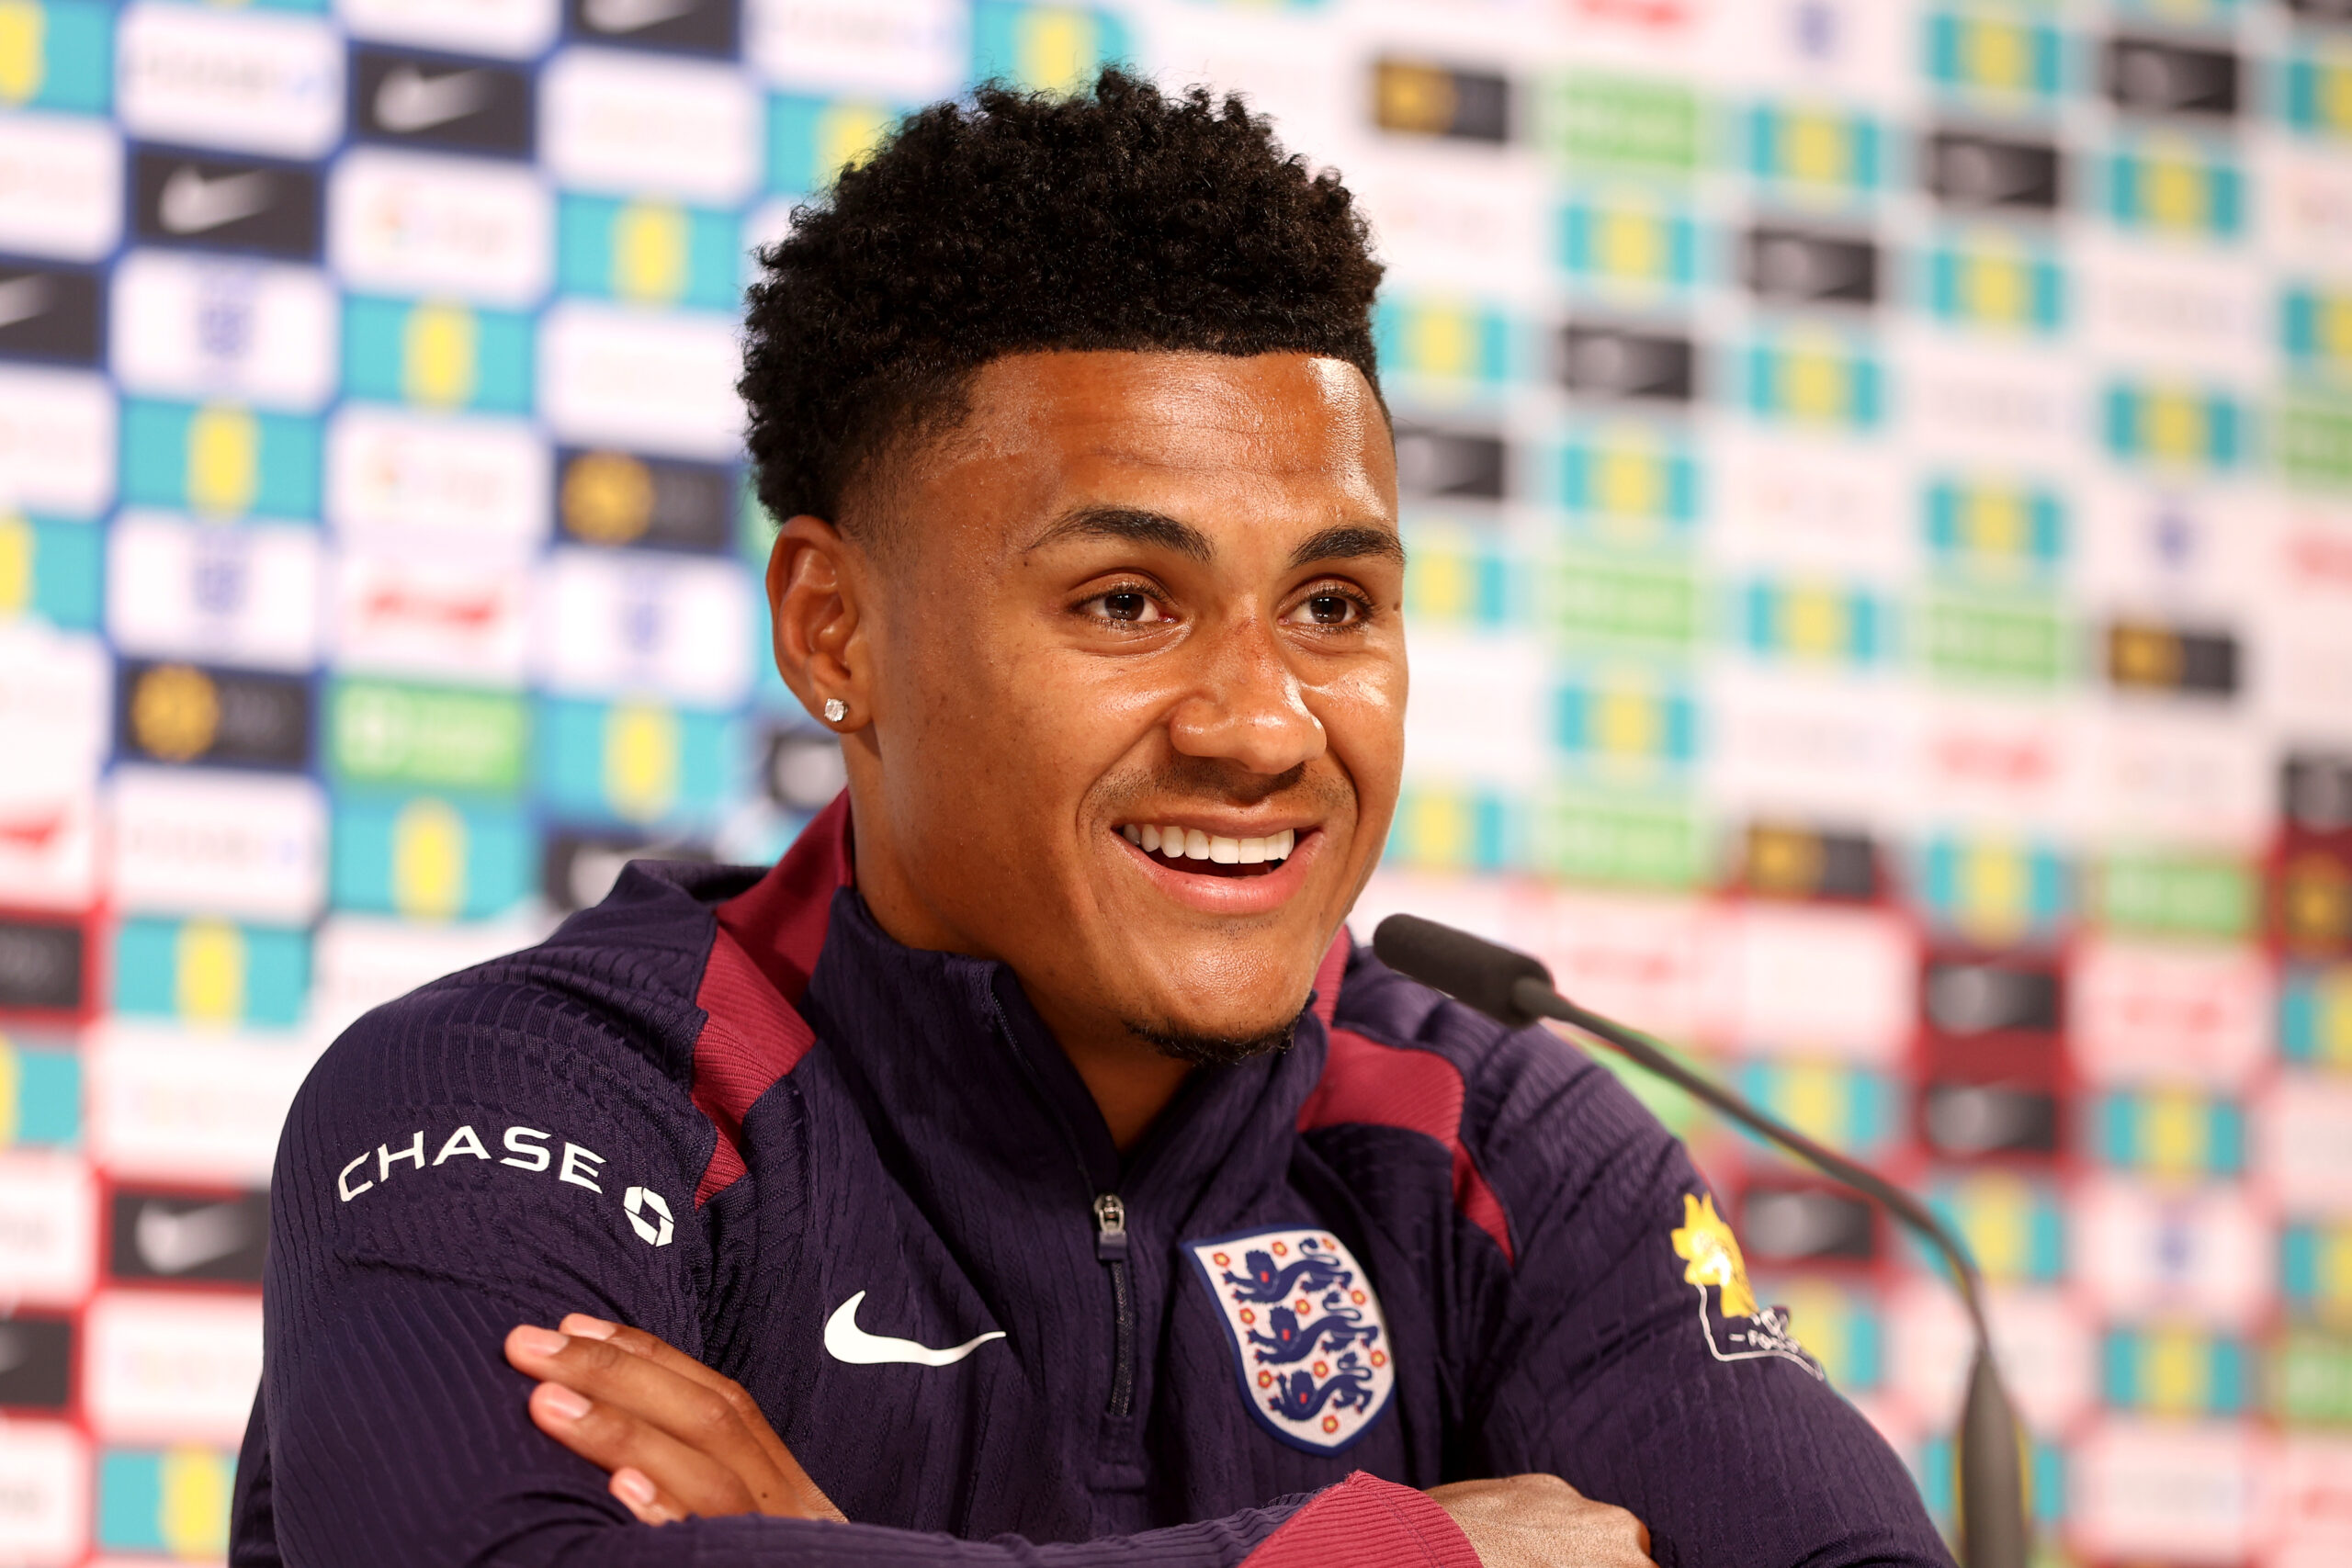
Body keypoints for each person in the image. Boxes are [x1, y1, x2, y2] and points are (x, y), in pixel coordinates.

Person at [230, 72, 1952, 1568]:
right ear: (837, 632)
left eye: (1336, 606)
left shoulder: (1492, 1145)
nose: (1263, 725)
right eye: (1128, 603)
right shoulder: (525, 1095)